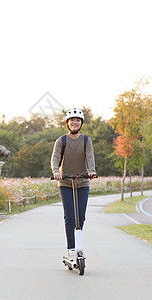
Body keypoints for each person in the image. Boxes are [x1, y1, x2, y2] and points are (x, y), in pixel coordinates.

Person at [51, 108, 97, 261]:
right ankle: (71, 249)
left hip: (82, 182)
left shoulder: (86, 140)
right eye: (72, 120)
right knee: (70, 217)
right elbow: (55, 157)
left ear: (81, 123)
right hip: (65, 182)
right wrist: (56, 172)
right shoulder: (61, 141)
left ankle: (78, 246)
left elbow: (90, 156)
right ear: (68, 123)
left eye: (78, 120)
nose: (75, 123)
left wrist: (92, 171)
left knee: (81, 218)